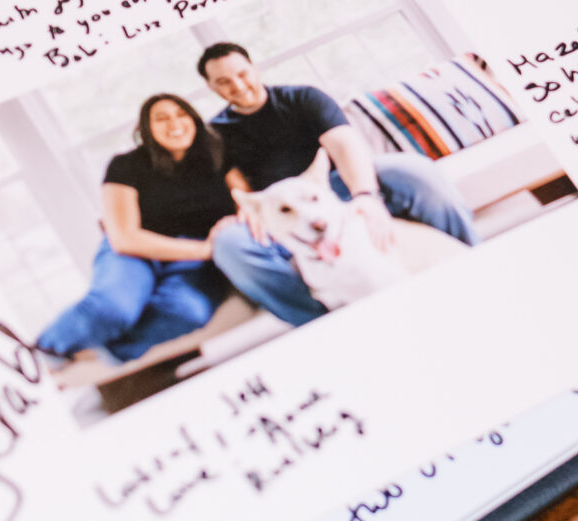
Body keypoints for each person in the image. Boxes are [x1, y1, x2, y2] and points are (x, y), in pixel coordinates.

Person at [200, 42, 475, 330]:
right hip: (280, 211)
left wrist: (365, 196)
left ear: (254, 68)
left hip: (332, 187)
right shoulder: (216, 132)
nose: (238, 86)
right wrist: (248, 212)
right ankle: (324, 324)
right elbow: (237, 185)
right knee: (229, 245)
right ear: (211, 86)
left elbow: (345, 145)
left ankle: (469, 258)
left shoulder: (303, 97)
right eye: (224, 82)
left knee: (412, 170)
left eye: (242, 74)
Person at [35, 93, 237, 363]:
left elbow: (245, 204)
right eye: (161, 118)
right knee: (112, 308)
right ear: (145, 129)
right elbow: (124, 238)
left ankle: (105, 353)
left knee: (189, 312)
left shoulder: (219, 155)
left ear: (194, 119)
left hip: (194, 264)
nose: (174, 123)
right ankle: (40, 357)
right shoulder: (125, 165)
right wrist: (204, 250)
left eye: (181, 114)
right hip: (138, 252)